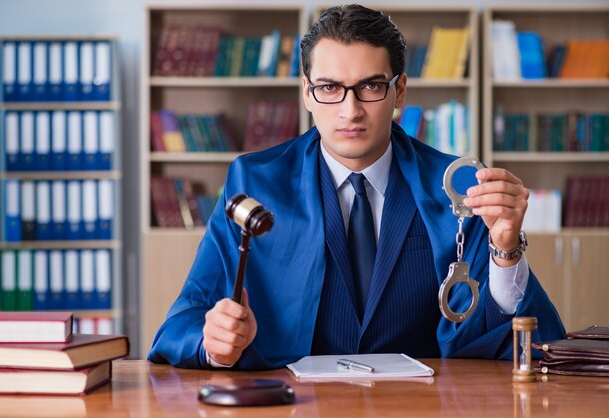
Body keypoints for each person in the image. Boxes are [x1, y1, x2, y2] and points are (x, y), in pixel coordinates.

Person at [148, 4, 564, 370]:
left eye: (370, 86)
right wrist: (213, 343)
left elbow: (513, 339)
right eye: (329, 87)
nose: (350, 110)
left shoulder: (457, 188)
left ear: (399, 91)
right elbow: (183, 321)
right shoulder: (254, 182)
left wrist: (507, 251)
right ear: (308, 94)